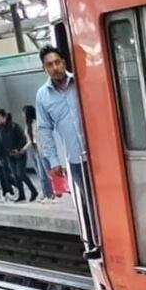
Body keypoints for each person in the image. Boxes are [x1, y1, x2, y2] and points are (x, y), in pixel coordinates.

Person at [35, 46, 97, 243]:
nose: (55, 68)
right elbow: (44, 129)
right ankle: (99, 242)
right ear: (44, 68)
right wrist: (53, 161)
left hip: (99, 155)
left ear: (64, 62)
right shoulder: (42, 95)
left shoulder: (81, 82)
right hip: (76, 160)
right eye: (49, 65)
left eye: (57, 62)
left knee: (107, 199)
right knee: (90, 203)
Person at [0, 109, 37, 203]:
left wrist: (18, 149)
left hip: (19, 153)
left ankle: (33, 191)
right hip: (9, 155)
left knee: (21, 173)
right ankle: (21, 195)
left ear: (4, 117)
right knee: (15, 175)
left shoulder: (14, 126)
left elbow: (22, 139)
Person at [22, 105, 54, 201]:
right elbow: (30, 140)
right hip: (35, 151)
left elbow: (39, 138)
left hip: (42, 150)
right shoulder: (29, 125)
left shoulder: (38, 123)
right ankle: (46, 193)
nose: (22, 115)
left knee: (47, 173)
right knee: (41, 174)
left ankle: (51, 193)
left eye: (23, 113)